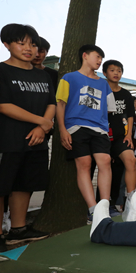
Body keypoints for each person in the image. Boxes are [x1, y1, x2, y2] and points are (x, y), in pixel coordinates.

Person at [0, 24, 54, 255]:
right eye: (21, 43)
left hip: (35, 142)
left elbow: (51, 103)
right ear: (7, 44)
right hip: (4, 141)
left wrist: (43, 127)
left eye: (32, 44)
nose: (29, 48)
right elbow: (1, 105)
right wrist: (41, 122)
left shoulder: (42, 74)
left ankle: (18, 230)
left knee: (24, 185)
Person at [56, 44, 116, 221]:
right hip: (75, 127)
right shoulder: (69, 78)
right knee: (84, 163)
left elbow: (110, 109)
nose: (99, 61)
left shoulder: (104, 84)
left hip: (99, 129)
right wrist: (62, 130)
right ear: (85, 56)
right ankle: (93, 210)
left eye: (101, 59)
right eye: (97, 57)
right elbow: (60, 104)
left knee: (105, 161)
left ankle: (104, 206)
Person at [101, 60, 136, 212]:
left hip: (120, 138)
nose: (116, 73)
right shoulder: (100, 90)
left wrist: (128, 134)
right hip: (102, 136)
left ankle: (131, 201)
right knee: (105, 166)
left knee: (131, 160)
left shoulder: (126, 94)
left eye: (119, 71)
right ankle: (103, 203)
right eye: (112, 70)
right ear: (104, 73)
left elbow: (130, 115)